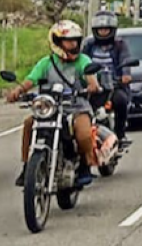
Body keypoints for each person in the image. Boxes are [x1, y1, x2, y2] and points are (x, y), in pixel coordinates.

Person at [8, 21, 100, 187]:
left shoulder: (82, 60)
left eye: (76, 40)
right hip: (50, 108)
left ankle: (85, 165)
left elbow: (90, 76)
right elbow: (30, 80)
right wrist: (18, 91)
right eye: (69, 40)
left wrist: (92, 85)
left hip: (76, 106)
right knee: (29, 124)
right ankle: (27, 165)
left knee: (83, 133)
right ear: (57, 42)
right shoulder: (46, 63)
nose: (73, 44)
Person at [83, 11, 133, 149]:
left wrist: (125, 74)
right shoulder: (89, 45)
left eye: (106, 29)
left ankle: (120, 134)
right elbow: (82, 62)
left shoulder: (120, 45)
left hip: (114, 85)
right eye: (100, 29)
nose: (103, 32)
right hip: (93, 85)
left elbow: (126, 59)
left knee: (121, 101)